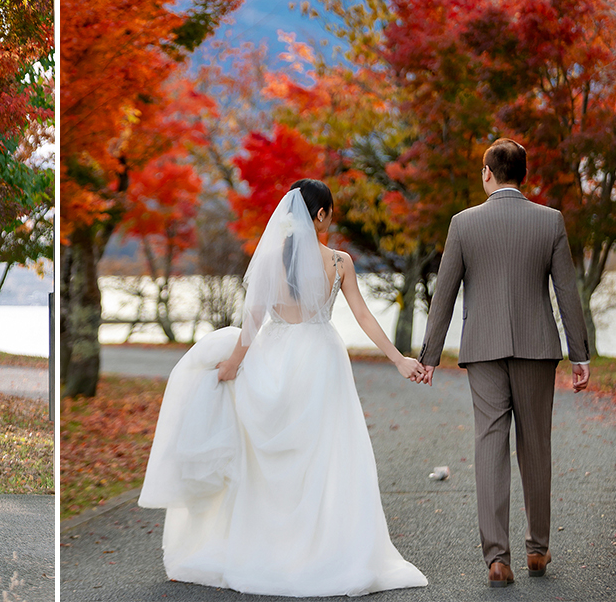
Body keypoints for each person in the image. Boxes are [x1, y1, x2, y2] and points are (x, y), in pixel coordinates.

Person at [138, 179, 430, 596]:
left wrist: (232, 366)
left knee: (268, 463)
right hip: (321, 359)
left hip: (274, 357)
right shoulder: (340, 262)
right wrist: (398, 359)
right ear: (321, 214)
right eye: (331, 211)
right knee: (324, 457)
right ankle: (319, 551)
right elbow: (363, 317)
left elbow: (252, 322)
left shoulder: (271, 259)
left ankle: (272, 549)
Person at [416, 138, 592, 589]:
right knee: (536, 446)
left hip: (483, 348)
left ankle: (497, 559)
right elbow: (566, 293)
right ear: (524, 176)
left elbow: (445, 294)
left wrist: (430, 357)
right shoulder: (549, 221)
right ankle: (537, 549)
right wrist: (580, 354)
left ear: (488, 173)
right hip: (537, 347)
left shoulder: (463, 224)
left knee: (489, 445)